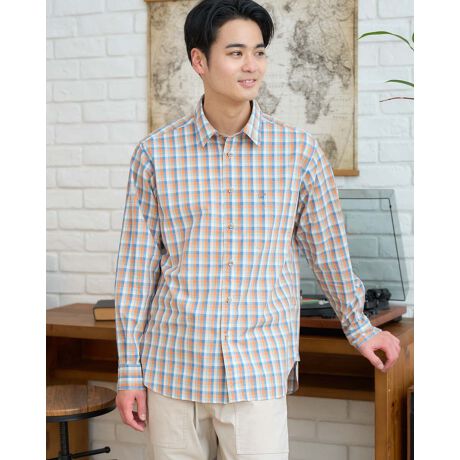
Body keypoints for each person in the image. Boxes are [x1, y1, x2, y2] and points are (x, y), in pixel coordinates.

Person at [114, 0, 401, 458]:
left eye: (259, 52)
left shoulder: (300, 153)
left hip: (257, 369)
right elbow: (136, 272)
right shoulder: (155, 155)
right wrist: (129, 371)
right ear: (199, 61)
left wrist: (360, 328)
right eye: (236, 53)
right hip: (171, 366)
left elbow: (328, 252)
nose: (252, 65)